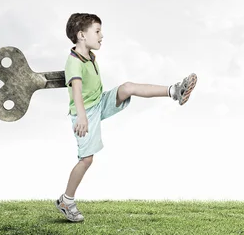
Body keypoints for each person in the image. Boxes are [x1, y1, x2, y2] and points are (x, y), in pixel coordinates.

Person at [55, 13, 197, 222]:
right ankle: (66, 201)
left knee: (127, 87)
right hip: (84, 113)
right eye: (97, 31)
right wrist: (82, 118)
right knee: (86, 160)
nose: (102, 36)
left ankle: (174, 91)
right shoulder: (74, 62)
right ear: (81, 35)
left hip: (98, 102)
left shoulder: (88, 55)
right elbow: (76, 91)